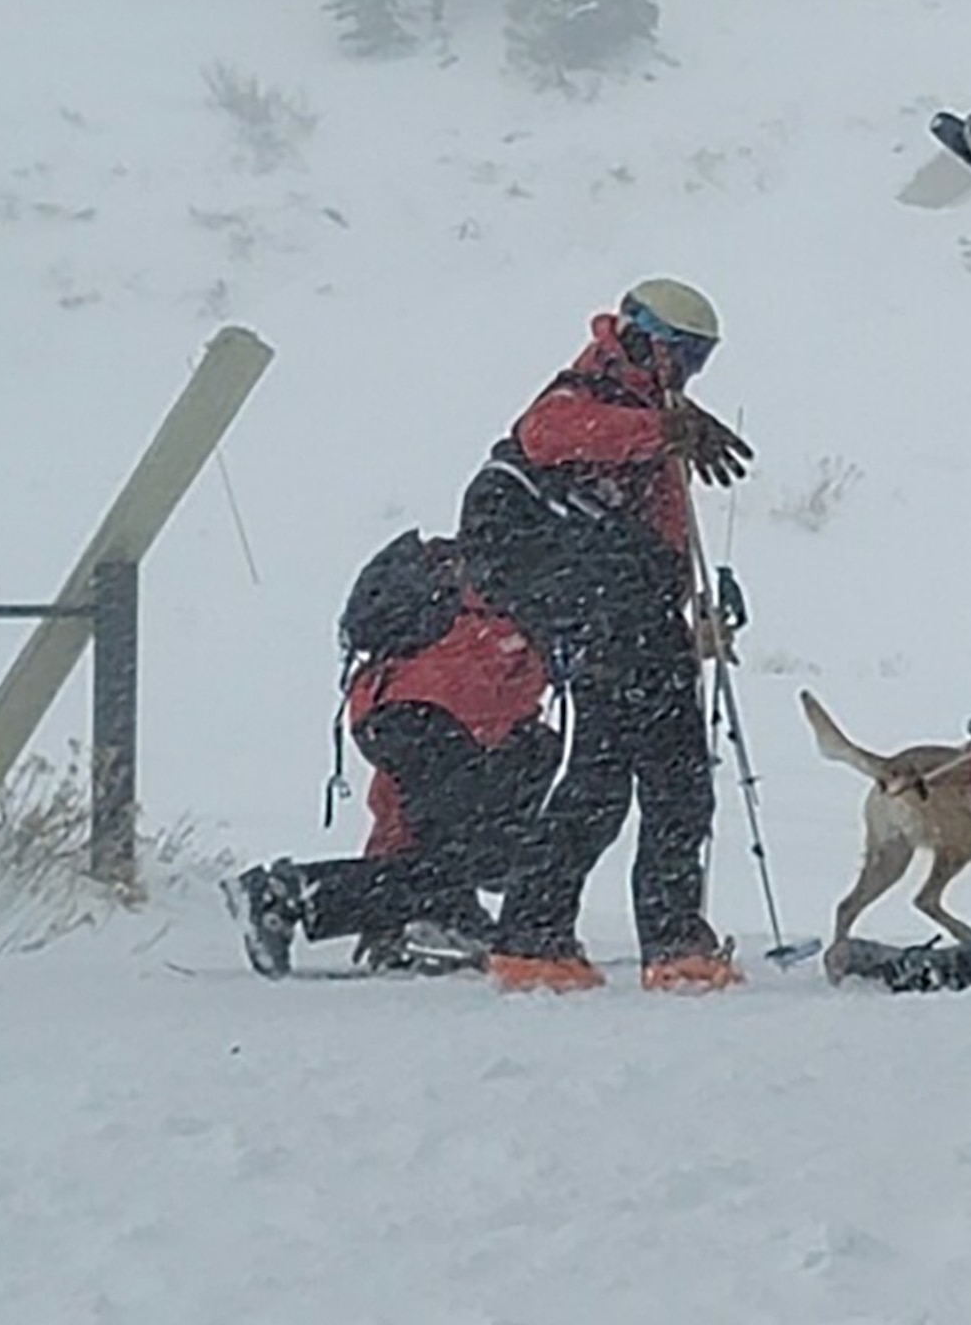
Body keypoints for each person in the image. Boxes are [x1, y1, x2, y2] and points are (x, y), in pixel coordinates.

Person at [459, 278, 752, 993]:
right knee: (643, 775)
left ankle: (547, 937)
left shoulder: (650, 412)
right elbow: (545, 434)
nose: (686, 374)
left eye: (699, 362)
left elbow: (661, 531)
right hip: (595, 604)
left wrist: (686, 611)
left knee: (634, 776)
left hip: (622, 608)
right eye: (682, 356)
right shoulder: (590, 392)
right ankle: (644, 940)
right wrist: (665, 430)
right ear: (643, 338)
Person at [229, 537, 560, 977]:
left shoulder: (469, 597)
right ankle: (291, 894)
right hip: (445, 709)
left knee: (448, 837)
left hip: (390, 705)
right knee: (486, 844)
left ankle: (424, 915)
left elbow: (397, 812)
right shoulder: (530, 591)